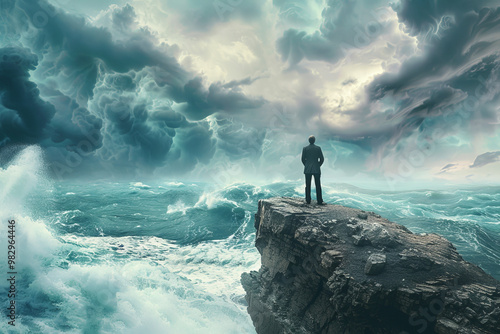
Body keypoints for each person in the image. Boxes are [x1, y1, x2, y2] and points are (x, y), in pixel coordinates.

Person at [301, 135, 325, 205]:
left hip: (307, 169)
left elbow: (302, 159)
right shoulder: (318, 148)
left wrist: (306, 165)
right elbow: (322, 159)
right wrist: (318, 165)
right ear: (314, 141)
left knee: (307, 185)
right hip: (316, 169)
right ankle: (319, 200)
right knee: (318, 185)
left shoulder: (305, 148)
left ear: (309, 141)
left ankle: (308, 199)